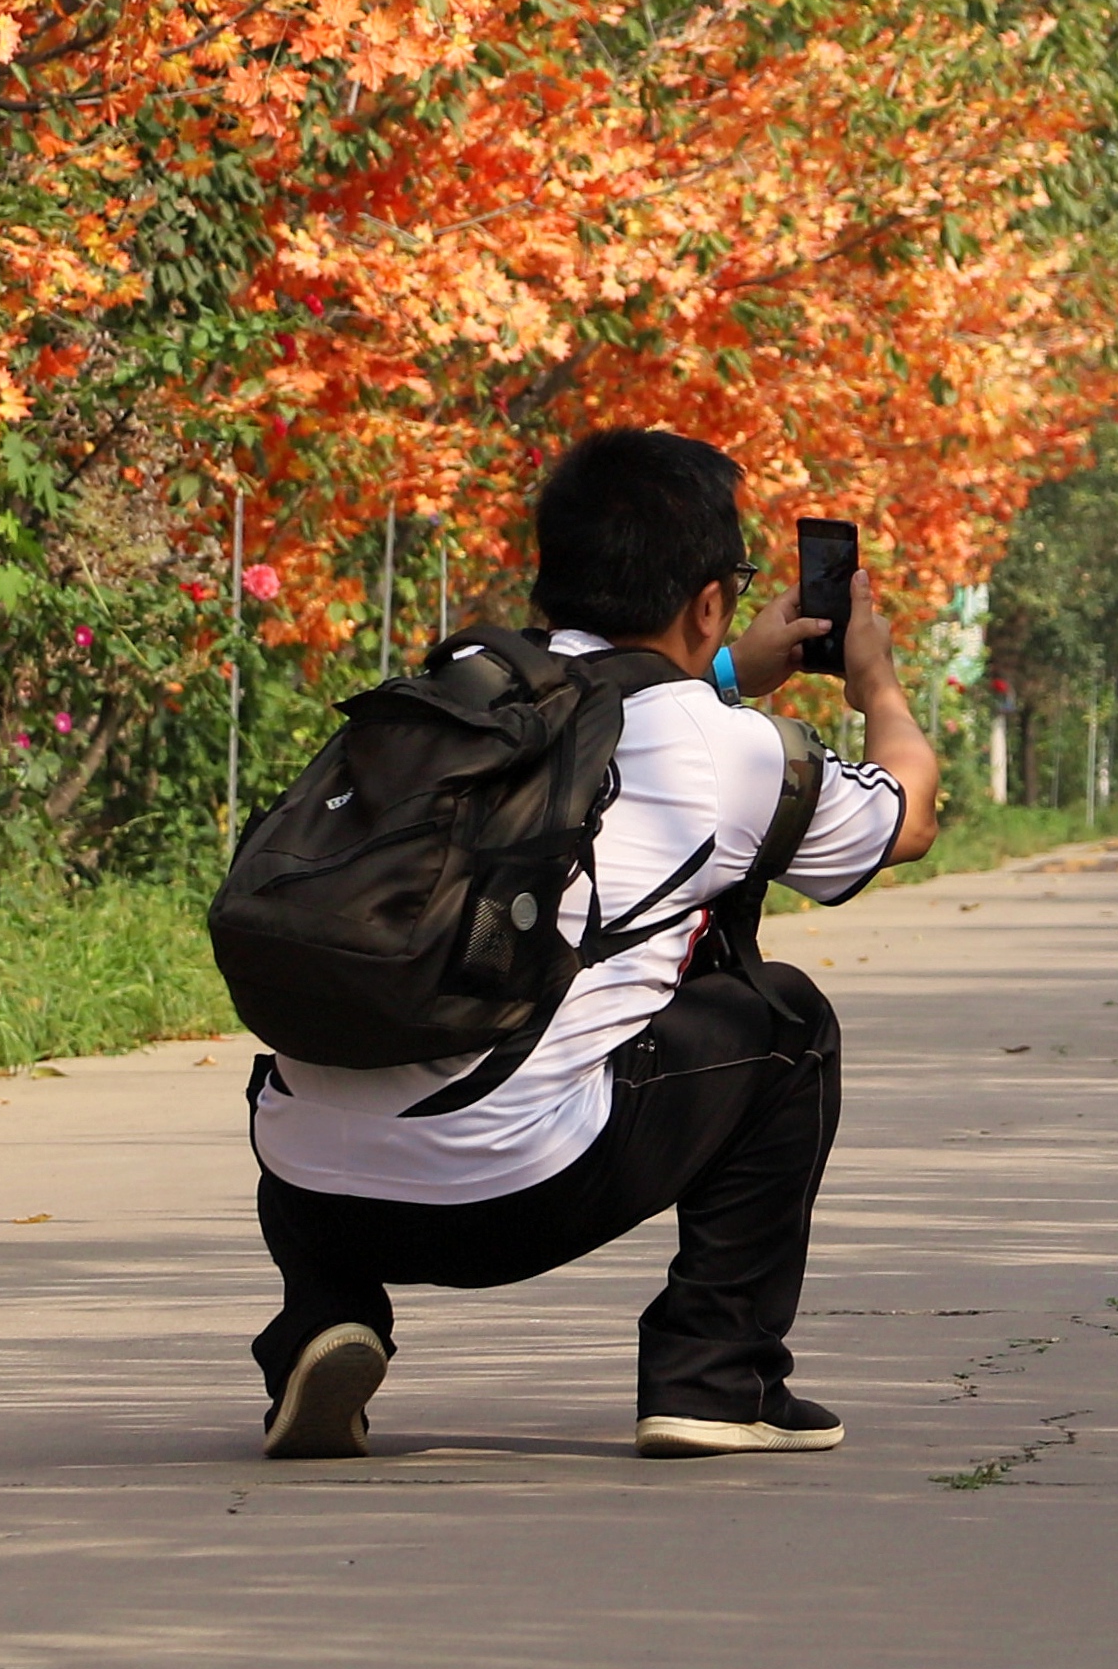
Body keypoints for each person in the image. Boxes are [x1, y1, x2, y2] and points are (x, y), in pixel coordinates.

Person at [246, 427, 935, 1463]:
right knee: (788, 1021)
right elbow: (906, 820)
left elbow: (605, 709)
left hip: (313, 1190)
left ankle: (323, 1317)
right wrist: (874, 681)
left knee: (332, 1037)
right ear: (709, 601)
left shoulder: (453, 688)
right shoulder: (730, 750)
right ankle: (716, 1375)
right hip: (511, 1197)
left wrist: (727, 668)